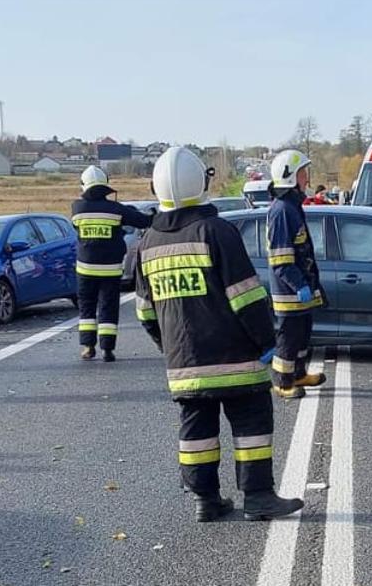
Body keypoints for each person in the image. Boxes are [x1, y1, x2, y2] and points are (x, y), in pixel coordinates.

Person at [133, 146, 303, 523]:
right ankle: (257, 497)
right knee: (251, 424)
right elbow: (246, 296)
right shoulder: (216, 231)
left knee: (197, 433)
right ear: (202, 182)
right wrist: (267, 344)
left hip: (185, 365)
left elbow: (145, 312)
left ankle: (205, 500)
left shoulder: (148, 243)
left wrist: (172, 348)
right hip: (235, 359)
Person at [264, 149, 327, 399]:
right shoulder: (281, 210)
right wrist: (299, 284)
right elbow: (280, 260)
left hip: (300, 288)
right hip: (288, 292)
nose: (307, 180)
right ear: (290, 177)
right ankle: (282, 382)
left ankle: (298, 373)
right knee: (288, 340)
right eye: (303, 174)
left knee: (302, 335)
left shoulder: (292, 206)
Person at [71, 165, 151, 361]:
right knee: (108, 306)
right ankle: (107, 350)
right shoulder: (116, 209)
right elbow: (142, 221)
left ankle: (88, 347)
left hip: (85, 268)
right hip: (110, 269)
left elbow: (76, 226)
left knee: (87, 307)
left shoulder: (77, 208)